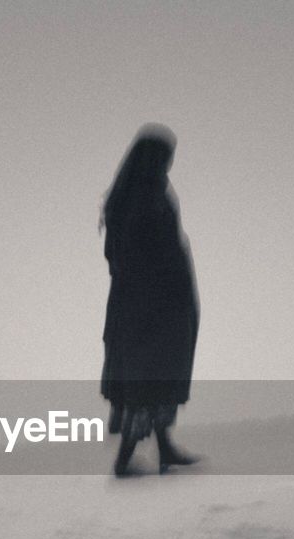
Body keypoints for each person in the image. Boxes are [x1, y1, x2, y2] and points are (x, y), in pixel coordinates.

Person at [100, 124, 201, 476]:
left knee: (157, 374)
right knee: (148, 377)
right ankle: (125, 460)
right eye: (165, 155)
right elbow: (129, 256)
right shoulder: (142, 196)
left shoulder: (137, 192)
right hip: (150, 306)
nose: (170, 162)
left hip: (153, 303)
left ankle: (165, 447)